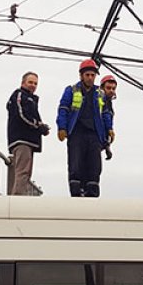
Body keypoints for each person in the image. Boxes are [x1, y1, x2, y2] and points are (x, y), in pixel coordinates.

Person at [56, 59, 114, 197]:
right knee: (76, 165)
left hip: (94, 134)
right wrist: (62, 127)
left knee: (94, 166)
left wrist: (109, 128)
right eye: (87, 75)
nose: (90, 78)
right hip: (76, 133)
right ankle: (77, 193)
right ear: (81, 75)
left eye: (92, 75)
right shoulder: (71, 90)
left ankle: (92, 193)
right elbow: (63, 108)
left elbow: (105, 112)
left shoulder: (99, 93)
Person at [6, 72, 50, 195]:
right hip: (21, 139)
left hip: (28, 140)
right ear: (23, 83)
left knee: (26, 173)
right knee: (22, 172)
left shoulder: (31, 99)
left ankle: (20, 197)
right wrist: (38, 125)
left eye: (35, 83)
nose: (33, 85)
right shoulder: (20, 95)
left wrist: (41, 127)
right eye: (30, 82)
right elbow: (22, 115)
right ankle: (18, 200)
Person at [99, 74, 118, 160]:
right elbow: (105, 116)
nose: (111, 91)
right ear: (102, 88)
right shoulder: (101, 100)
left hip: (101, 142)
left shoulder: (109, 103)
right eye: (108, 88)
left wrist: (107, 146)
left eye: (113, 88)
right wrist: (110, 129)